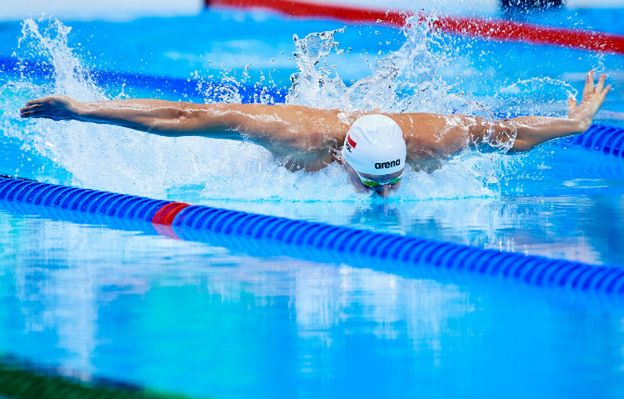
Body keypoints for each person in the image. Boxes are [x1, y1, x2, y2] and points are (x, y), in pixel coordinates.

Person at [20, 70, 611, 197]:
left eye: (391, 181)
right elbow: (181, 117)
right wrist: (84, 110)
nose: (381, 195)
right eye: (371, 182)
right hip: (301, 138)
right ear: (345, 158)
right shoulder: (293, 137)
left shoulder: (435, 138)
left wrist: (576, 123)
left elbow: (513, 132)